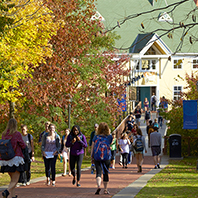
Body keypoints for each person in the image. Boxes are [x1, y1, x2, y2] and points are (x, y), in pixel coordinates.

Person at [0, 118, 27, 198]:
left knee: (12, 180)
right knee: (15, 180)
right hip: (15, 159)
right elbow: (23, 145)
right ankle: (6, 192)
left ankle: (13, 196)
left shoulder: (4, 134)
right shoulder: (17, 134)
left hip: (5, 159)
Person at [91, 122, 112, 195]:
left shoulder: (96, 137)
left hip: (97, 156)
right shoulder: (109, 137)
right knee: (106, 173)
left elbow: (93, 147)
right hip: (106, 157)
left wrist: (92, 156)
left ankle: (98, 186)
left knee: (98, 172)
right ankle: (105, 189)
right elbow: (110, 144)